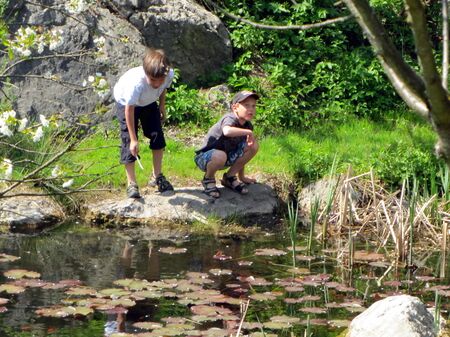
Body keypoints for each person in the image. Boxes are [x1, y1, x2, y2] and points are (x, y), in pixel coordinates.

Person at [113, 48, 174, 198]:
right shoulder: (136, 84)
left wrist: (161, 106)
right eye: (153, 80)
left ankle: (157, 176)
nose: (157, 83)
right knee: (128, 143)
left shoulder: (167, 74)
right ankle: (131, 183)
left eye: (160, 80)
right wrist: (134, 139)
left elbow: (163, 89)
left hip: (149, 102)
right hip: (126, 104)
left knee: (157, 136)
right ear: (146, 74)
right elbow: (129, 110)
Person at [194, 90, 260, 198]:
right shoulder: (230, 118)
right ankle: (208, 179)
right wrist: (249, 132)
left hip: (226, 157)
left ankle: (229, 177)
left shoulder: (247, 125)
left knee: (253, 146)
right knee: (220, 155)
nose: (251, 109)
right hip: (206, 158)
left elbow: (242, 151)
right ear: (235, 108)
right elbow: (227, 131)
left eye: (253, 106)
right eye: (246, 105)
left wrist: (242, 176)